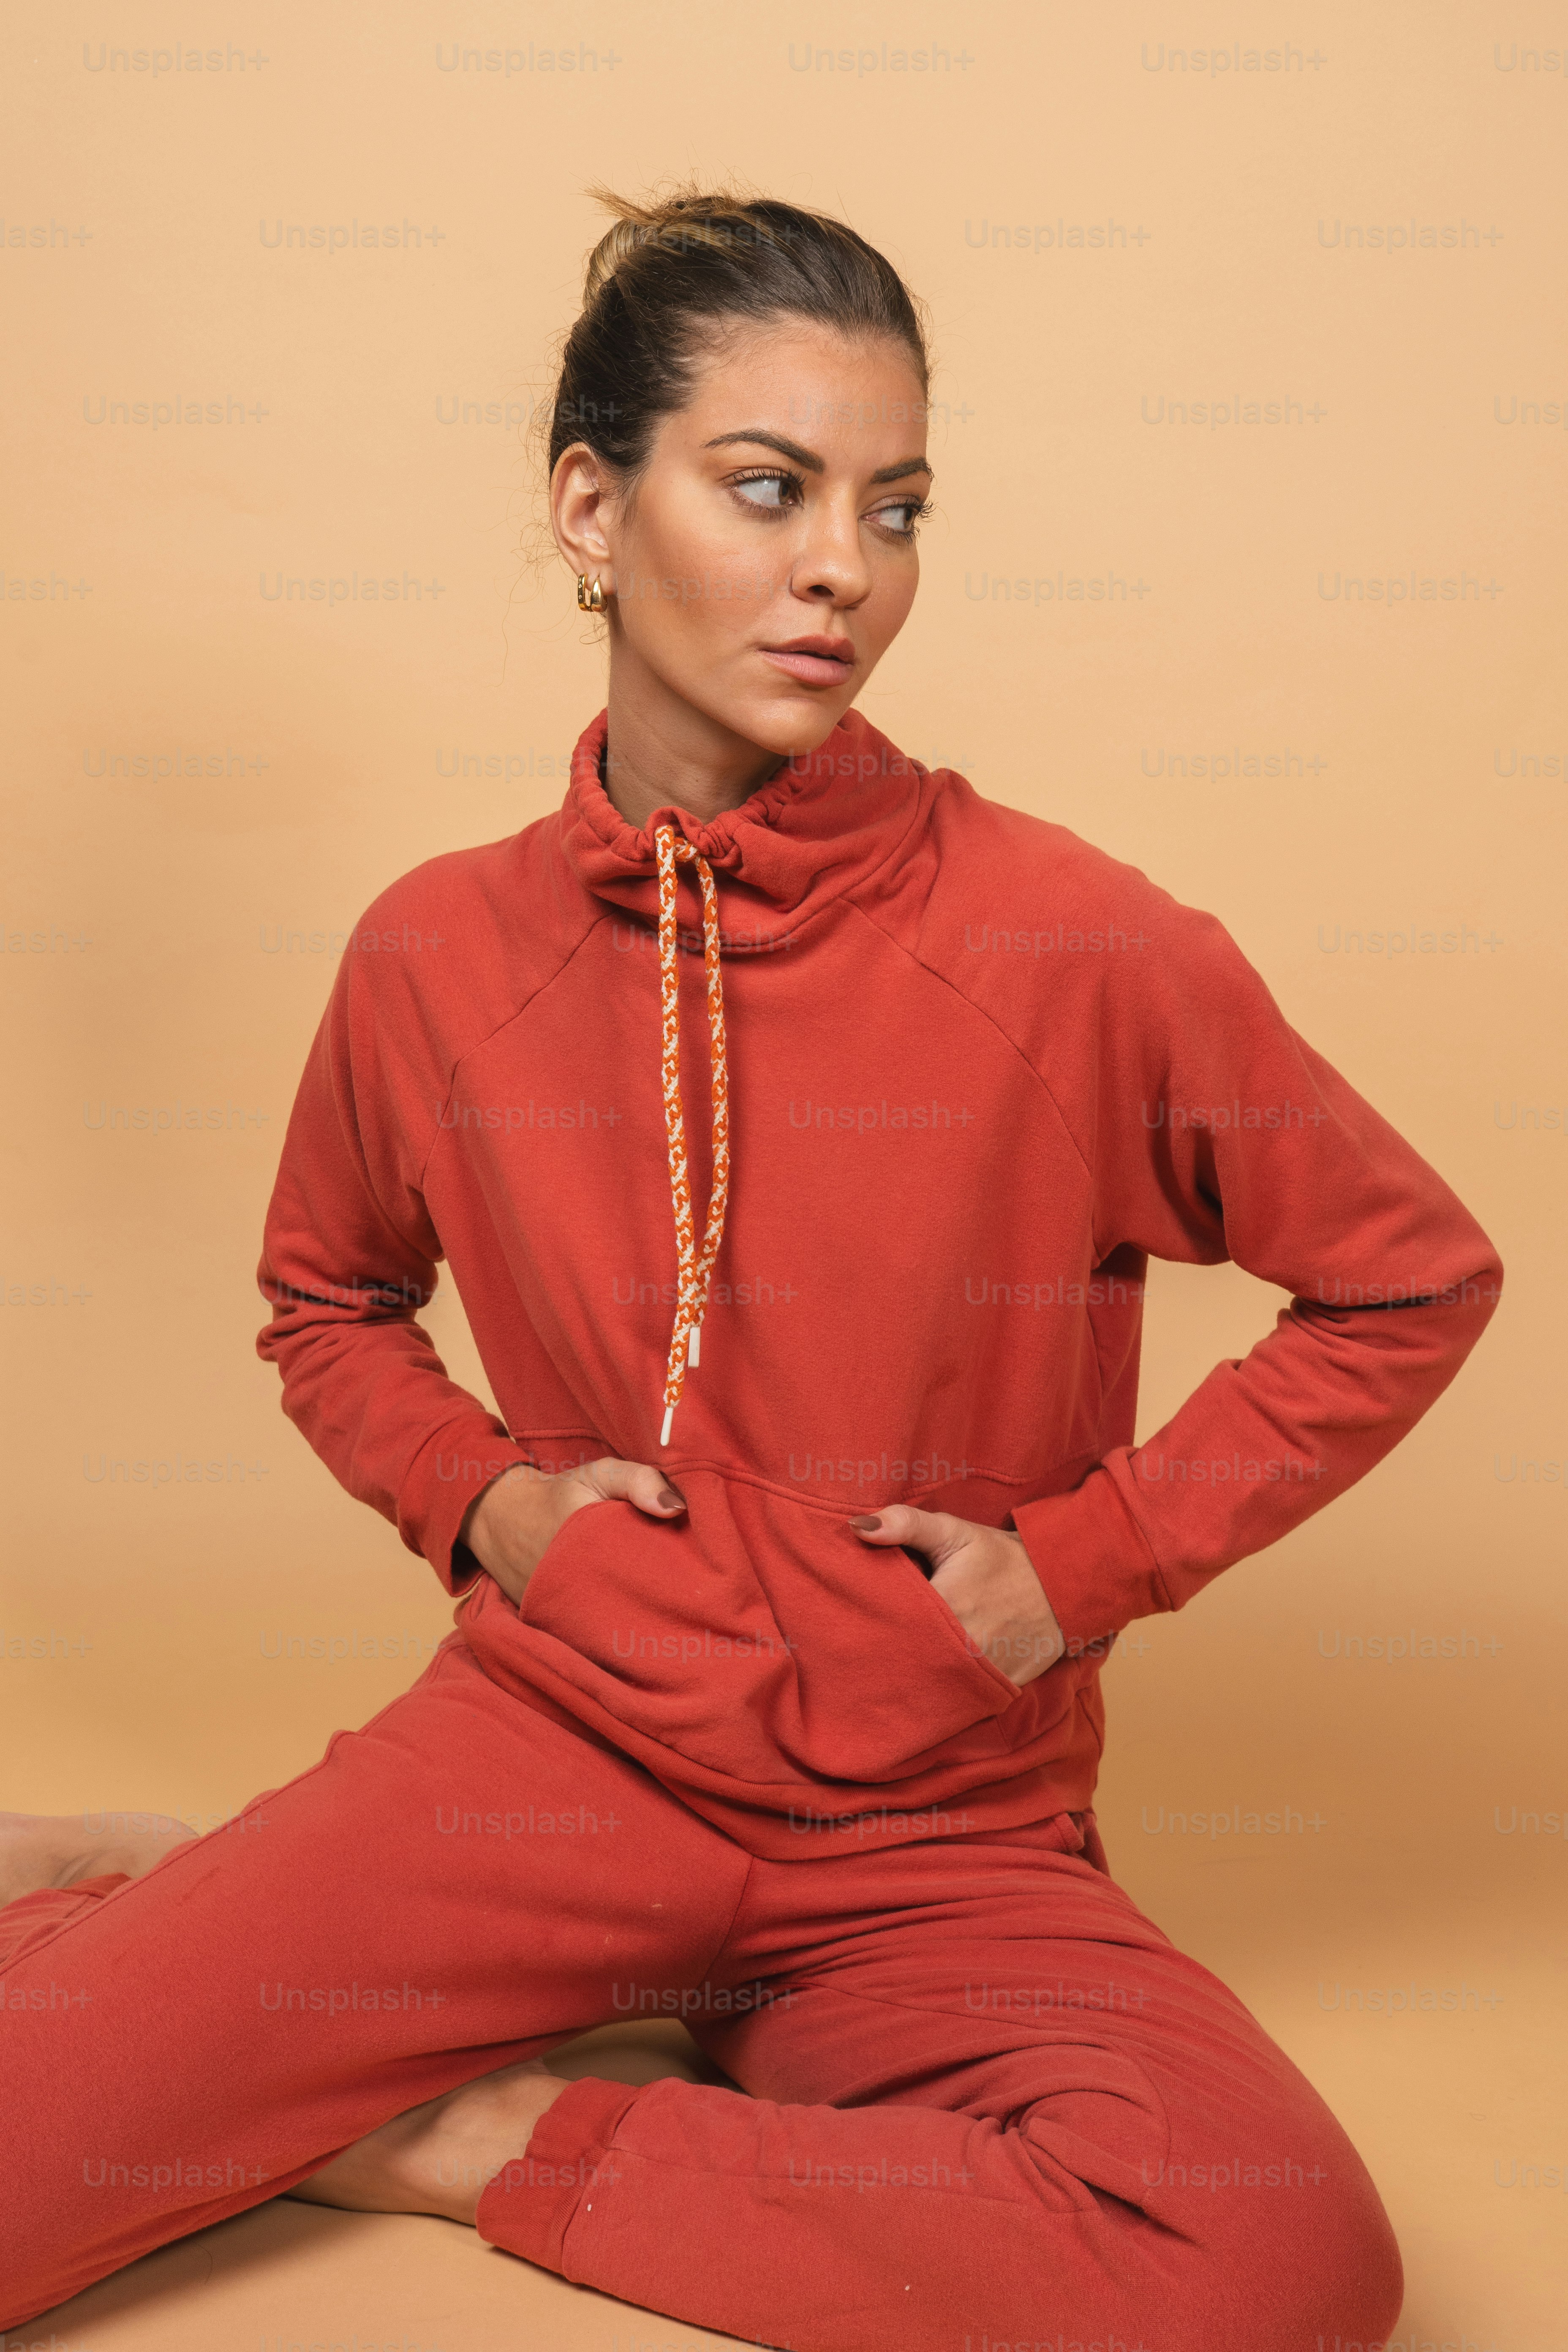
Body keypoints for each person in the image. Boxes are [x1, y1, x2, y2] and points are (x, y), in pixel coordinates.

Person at [1, 185, 1500, 2351]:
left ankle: (444, 2120)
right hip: (551, 1769)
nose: (843, 572)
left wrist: (1081, 1567)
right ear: (590, 507)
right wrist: (486, 1498)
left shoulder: (1074, 945)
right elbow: (327, 1303)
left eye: (894, 510)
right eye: (772, 489)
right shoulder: (440, 952)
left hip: (932, 1839)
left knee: (1272, 2274)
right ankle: (189, 1912)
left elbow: (1406, 1281)